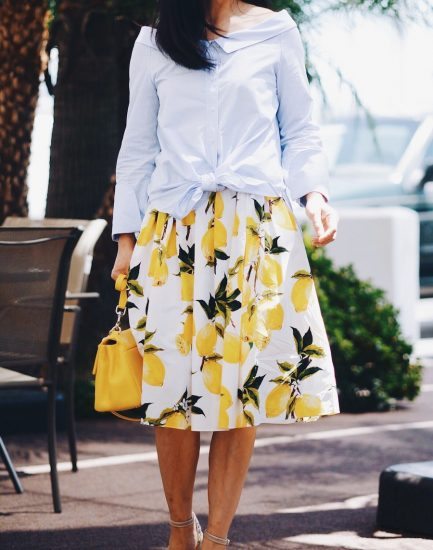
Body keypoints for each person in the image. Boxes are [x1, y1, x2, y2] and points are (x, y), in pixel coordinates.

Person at [111, 1, 340, 548]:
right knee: (171, 390)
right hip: (174, 234)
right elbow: (138, 149)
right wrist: (126, 242)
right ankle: (178, 531)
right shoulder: (155, 41)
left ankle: (217, 538)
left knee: (242, 389)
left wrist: (315, 195)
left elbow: (300, 131)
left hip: (254, 233)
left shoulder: (277, 31)